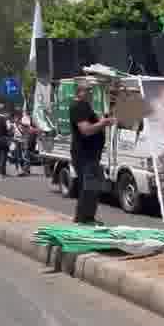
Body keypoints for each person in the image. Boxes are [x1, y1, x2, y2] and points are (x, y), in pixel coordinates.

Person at [71, 80, 115, 224]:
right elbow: (85, 130)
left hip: (91, 154)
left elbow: (92, 125)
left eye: (91, 90)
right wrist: (103, 123)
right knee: (89, 187)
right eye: (88, 90)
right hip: (84, 154)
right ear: (80, 92)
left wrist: (102, 120)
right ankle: (83, 219)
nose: (90, 93)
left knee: (94, 186)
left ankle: (87, 218)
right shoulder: (78, 106)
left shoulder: (85, 106)